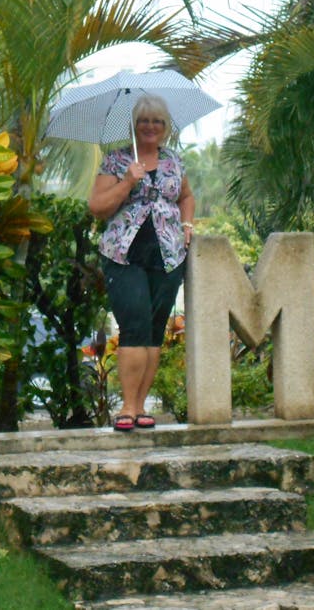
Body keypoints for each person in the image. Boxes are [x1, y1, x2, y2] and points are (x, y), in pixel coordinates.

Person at [88, 94, 195, 431]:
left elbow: (186, 196)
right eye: (144, 121)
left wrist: (188, 224)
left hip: (167, 256)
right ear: (134, 126)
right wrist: (129, 181)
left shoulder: (175, 161)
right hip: (124, 255)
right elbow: (98, 206)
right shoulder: (117, 161)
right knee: (133, 327)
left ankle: (142, 406)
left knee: (153, 332)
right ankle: (127, 408)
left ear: (165, 128)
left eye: (157, 122)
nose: (150, 127)